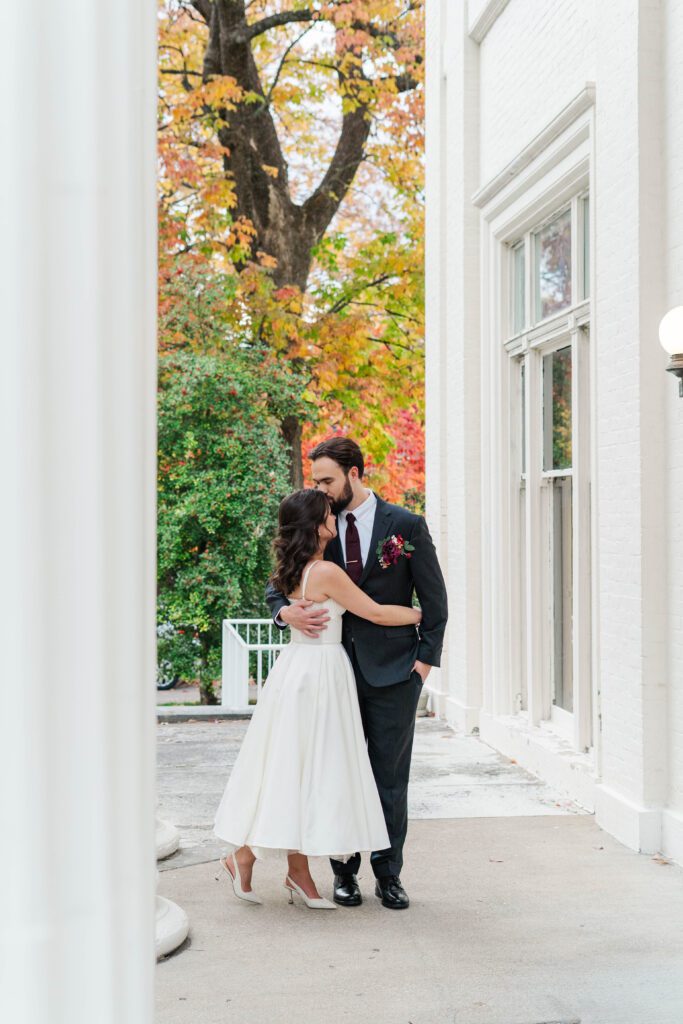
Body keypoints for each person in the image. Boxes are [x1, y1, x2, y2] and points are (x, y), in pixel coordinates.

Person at [213, 488, 422, 910]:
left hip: (297, 671)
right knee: (308, 770)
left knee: (295, 770)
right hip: (320, 675)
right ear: (316, 526)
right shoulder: (324, 571)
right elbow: (377, 612)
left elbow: (281, 596)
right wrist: (422, 616)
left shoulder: (292, 568)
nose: (335, 517)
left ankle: (275, 864)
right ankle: (253, 857)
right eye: (328, 514)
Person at [267, 437, 448, 910]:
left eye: (327, 480)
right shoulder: (316, 527)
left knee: (390, 777)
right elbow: (279, 583)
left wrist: (423, 665)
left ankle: (389, 875)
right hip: (331, 674)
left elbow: (435, 602)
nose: (321, 490)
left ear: (355, 472)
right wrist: (284, 615)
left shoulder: (405, 526)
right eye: (316, 482)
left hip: (393, 674)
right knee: (335, 774)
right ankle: (343, 874)